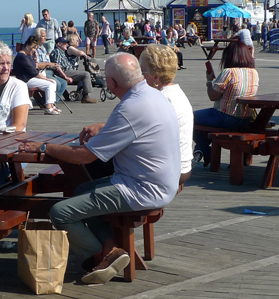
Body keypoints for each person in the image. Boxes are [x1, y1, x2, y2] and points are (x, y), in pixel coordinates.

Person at [18, 54, 180, 285]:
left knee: (60, 212)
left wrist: (46, 147)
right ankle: (110, 248)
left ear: (112, 84)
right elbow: (137, 126)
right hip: (162, 182)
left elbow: (83, 156)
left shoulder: (129, 108)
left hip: (142, 189)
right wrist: (105, 128)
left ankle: (101, 257)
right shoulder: (153, 95)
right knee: (81, 190)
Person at [192, 42, 259, 163]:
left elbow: (213, 96)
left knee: (187, 118)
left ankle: (204, 150)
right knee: (203, 123)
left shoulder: (229, 72)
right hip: (246, 118)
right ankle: (201, 150)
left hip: (226, 116)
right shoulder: (254, 72)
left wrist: (209, 81)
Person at [140, 44, 193, 185]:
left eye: (142, 71)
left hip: (170, 171)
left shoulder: (161, 100)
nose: (139, 76)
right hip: (183, 167)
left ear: (155, 77)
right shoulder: (176, 92)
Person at [12, 35, 59, 115]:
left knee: (53, 82)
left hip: (29, 78)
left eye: (35, 48)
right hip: (25, 80)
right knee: (50, 84)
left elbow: (35, 67)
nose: (34, 50)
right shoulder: (21, 57)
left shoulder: (27, 57)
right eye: (33, 48)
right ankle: (48, 107)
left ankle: (51, 104)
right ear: (27, 46)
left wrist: (35, 60)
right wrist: (46, 79)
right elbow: (34, 72)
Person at [51, 37, 98, 103]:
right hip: (65, 71)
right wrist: (65, 76)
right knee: (86, 74)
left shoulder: (62, 52)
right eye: (64, 43)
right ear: (59, 44)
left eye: (67, 43)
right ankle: (86, 97)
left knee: (83, 74)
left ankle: (77, 94)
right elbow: (57, 66)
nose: (66, 45)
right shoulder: (57, 52)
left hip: (68, 70)